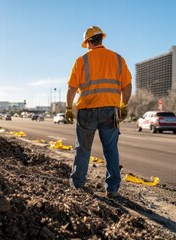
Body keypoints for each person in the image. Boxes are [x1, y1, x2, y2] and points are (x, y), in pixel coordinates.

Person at [65, 26, 132, 198]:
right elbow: (127, 85)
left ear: (88, 43)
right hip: (110, 111)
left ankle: (77, 185)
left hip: (87, 111)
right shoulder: (118, 59)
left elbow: (72, 88)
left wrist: (68, 108)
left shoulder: (81, 60)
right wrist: (123, 105)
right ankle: (112, 189)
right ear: (102, 39)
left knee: (83, 149)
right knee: (110, 149)